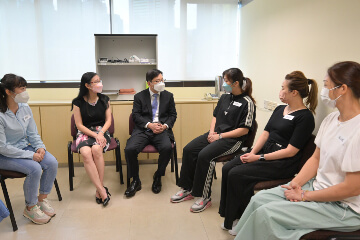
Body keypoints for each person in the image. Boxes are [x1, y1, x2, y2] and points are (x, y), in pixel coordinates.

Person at [232, 61, 360, 240]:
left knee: (267, 214)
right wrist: (296, 183)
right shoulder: (331, 120)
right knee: (258, 200)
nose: (324, 91)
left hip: (344, 207)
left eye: (326, 85)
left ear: (342, 89)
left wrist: (305, 196)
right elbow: (316, 159)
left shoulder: (357, 129)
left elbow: (352, 188)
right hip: (315, 187)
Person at [219, 70, 319, 234]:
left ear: (294, 92)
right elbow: (265, 134)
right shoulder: (280, 109)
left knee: (237, 174)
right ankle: (229, 216)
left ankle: (244, 219)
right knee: (227, 168)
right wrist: (253, 153)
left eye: (283, 88)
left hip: (283, 162)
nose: (280, 91)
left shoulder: (305, 118)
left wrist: (258, 158)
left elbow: (290, 152)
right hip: (264, 153)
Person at [170, 68, 256, 213]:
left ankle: (205, 197)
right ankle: (187, 188)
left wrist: (220, 136)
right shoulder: (224, 97)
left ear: (236, 83)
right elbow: (215, 116)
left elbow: (244, 130)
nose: (224, 84)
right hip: (215, 134)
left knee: (205, 156)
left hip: (232, 140)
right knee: (189, 150)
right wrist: (211, 132)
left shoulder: (247, 103)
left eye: (227, 81)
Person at [0, 74, 58, 225]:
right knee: (35, 169)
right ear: (8, 92)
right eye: (22, 88)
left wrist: (40, 147)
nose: (25, 92)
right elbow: (3, 147)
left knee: (52, 162)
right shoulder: (0, 114)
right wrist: (30, 155)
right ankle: (30, 207)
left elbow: (33, 133)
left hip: (25, 147)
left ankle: (41, 200)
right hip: (4, 154)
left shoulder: (25, 108)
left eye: (25, 88)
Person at [124, 69, 177, 197]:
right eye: (157, 81)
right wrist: (150, 125)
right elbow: (135, 116)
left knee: (166, 148)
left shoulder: (168, 96)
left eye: (162, 80)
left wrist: (164, 126)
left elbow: (173, 115)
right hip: (144, 129)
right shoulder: (139, 96)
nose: (161, 83)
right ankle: (135, 180)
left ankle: (158, 175)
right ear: (149, 83)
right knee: (129, 149)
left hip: (161, 129)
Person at [71, 72, 111, 206]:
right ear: (87, 85)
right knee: (86, 153)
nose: (100, 83)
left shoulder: (105, 99)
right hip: (85, 132)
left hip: (102, 131)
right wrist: (95, 135)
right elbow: (79, 125)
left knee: (96, 149)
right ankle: (101, 189)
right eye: (96, 81)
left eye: (100, 80)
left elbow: (108, 121)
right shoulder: (78, 102)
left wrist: (100, 133)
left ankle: (99, 189)